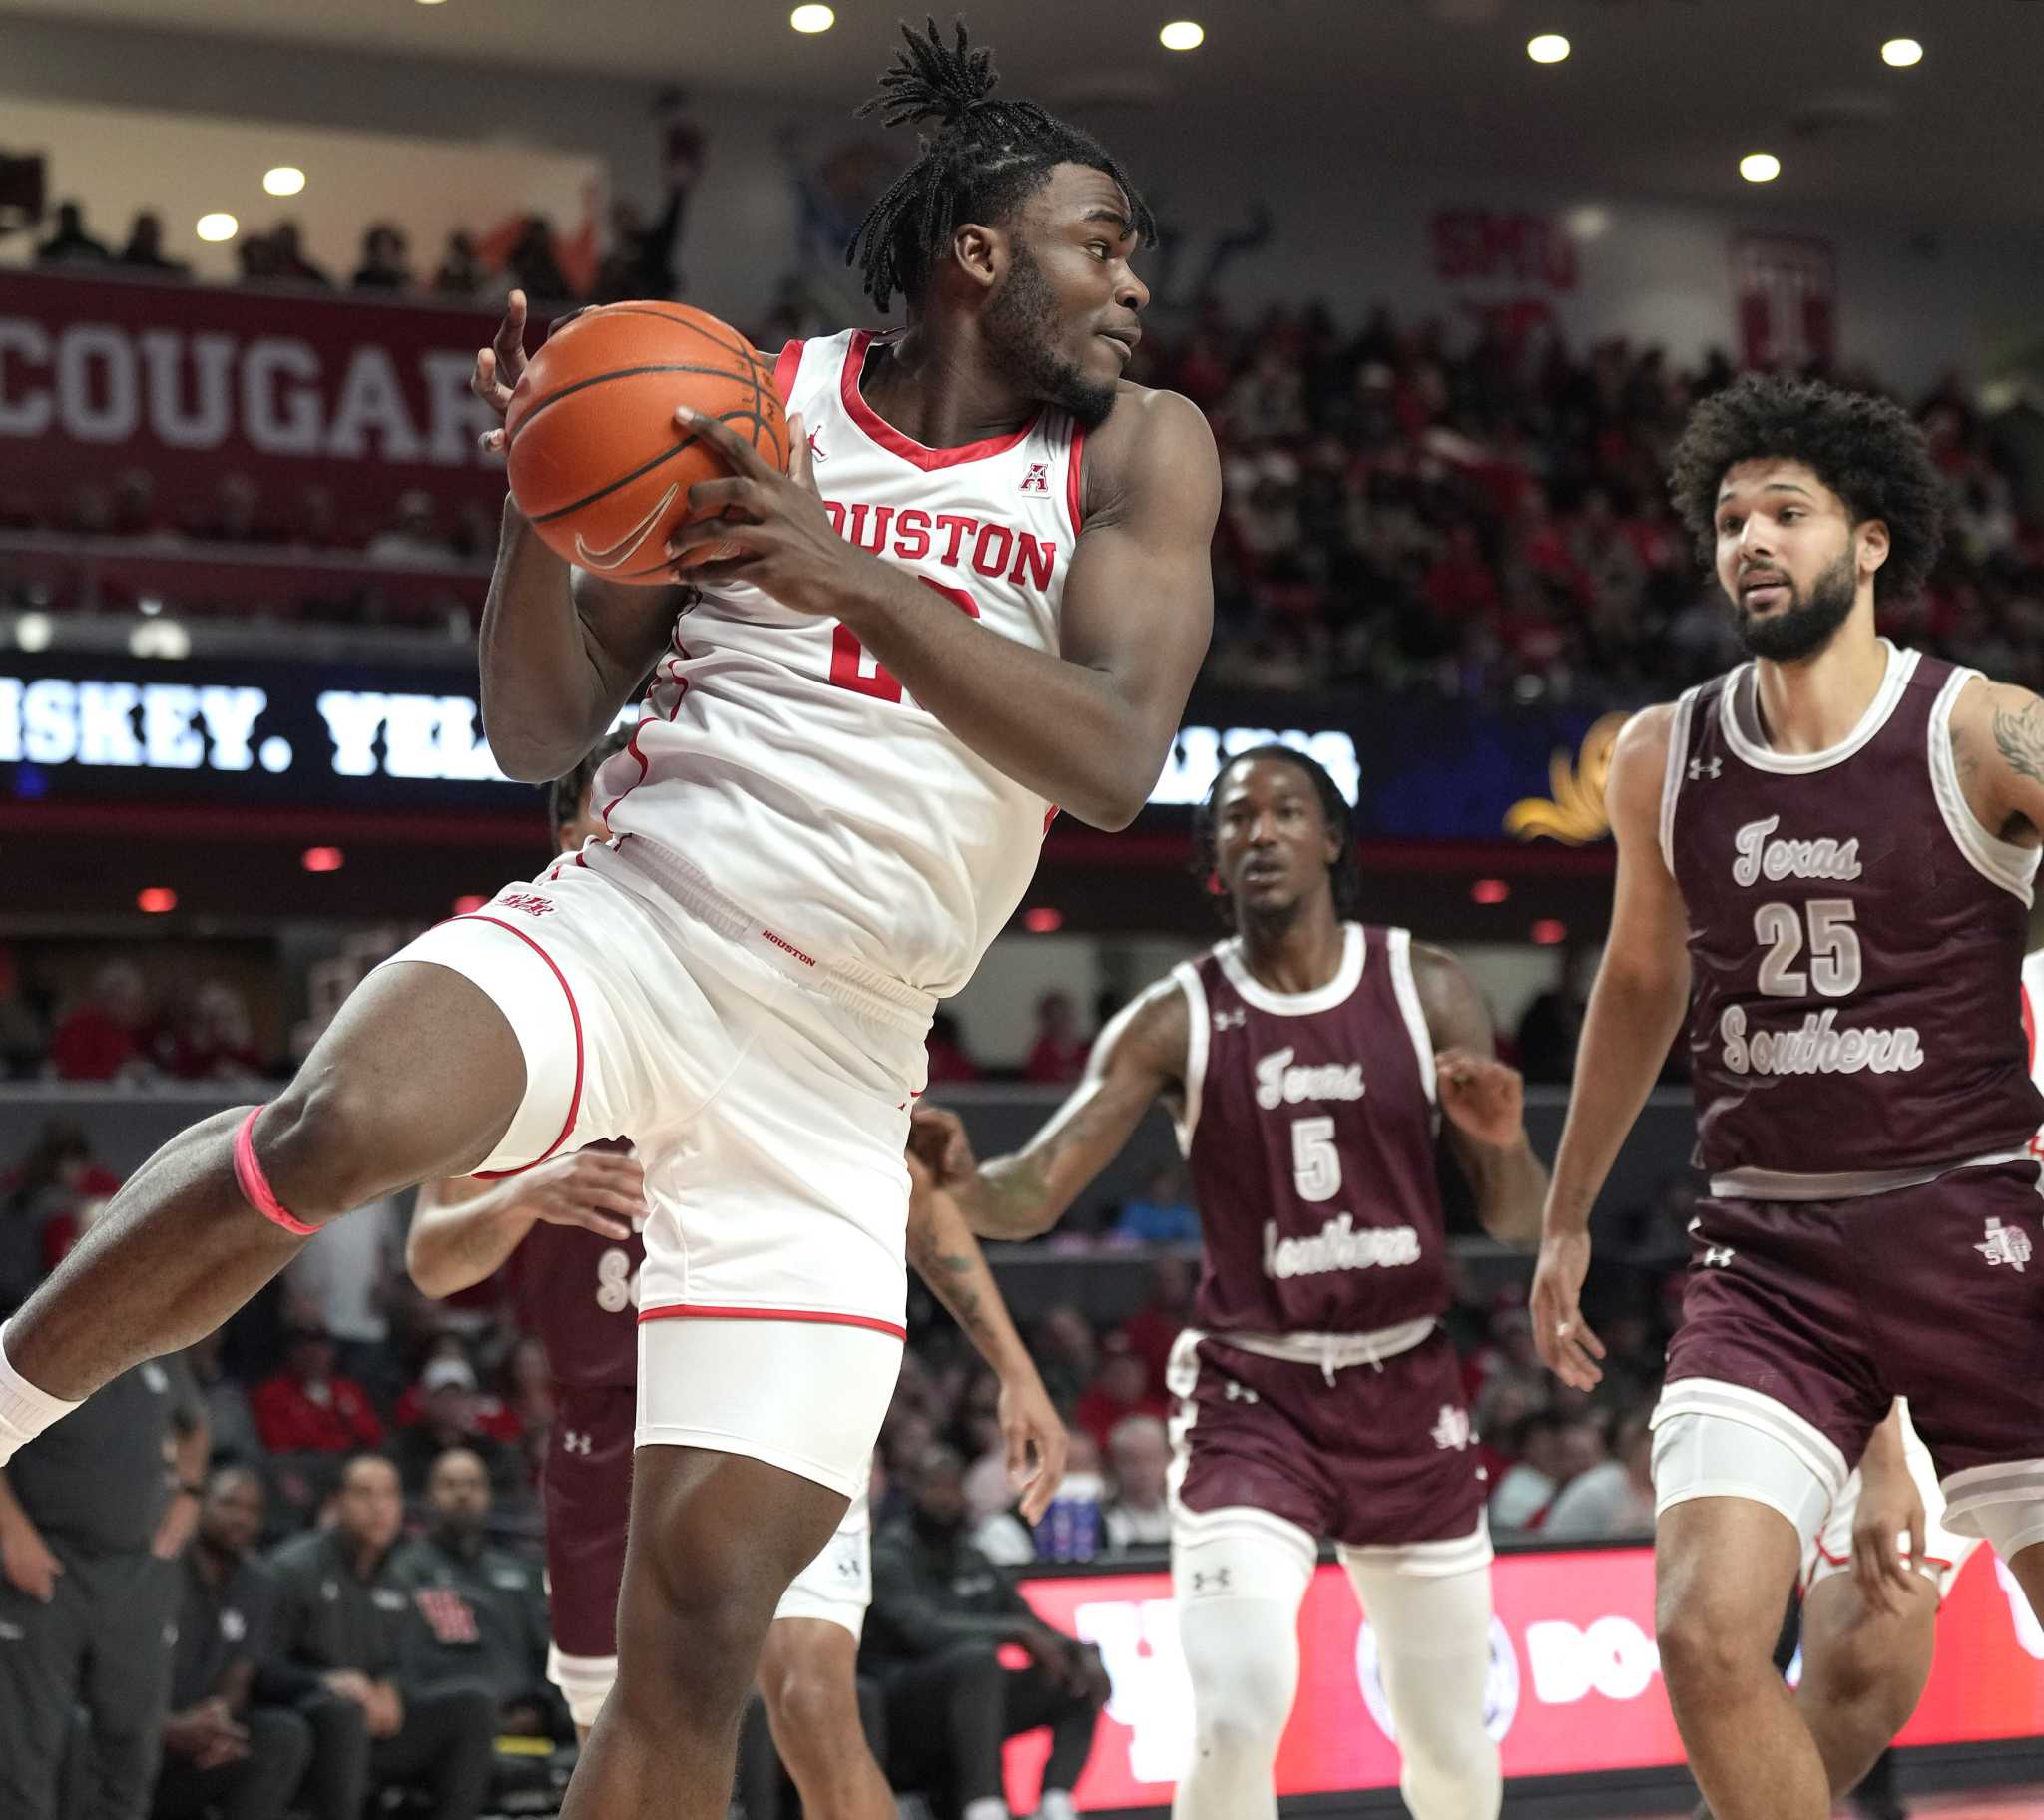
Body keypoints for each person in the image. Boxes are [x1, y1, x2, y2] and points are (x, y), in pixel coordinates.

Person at [0, 19, 1216, 1820]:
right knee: (345, 1119)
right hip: (643, 924)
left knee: (694, 1652)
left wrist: (834, 564)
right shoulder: (751, 402)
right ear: (979, 252)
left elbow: (1114, 758)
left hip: (844, 1066)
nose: (1133, 282)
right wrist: (535, 517)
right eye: (1099, 241)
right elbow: (542, 732)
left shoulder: (1135, 451)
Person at [1530, 373, 2044, 1820]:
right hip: (1771, 1255)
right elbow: (1639, 987)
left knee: (1875, 1661)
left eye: (1786, 514)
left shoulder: (1978, 731)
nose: (1748, 539)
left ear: (1871, 542)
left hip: (1976, 1236)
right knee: (1704, 1628)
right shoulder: (1660, 752)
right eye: (1728, 518)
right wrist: (1565, 1218)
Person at [914, 743, 1548, 1820]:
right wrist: (966, 1184)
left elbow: (1515, 1216)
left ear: (1330, 839)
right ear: (1211, 856)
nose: (1258, 832)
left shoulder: (1425, 986)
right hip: (1256, 1397)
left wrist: (1501, 1143)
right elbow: (1036, 1195)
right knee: (1236, 1710)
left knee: (1449, 1744)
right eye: (1234, 817)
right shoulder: (1174, 1016)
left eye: (1284, 812)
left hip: (1407, 1390)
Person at [0, 1348, 207, 1820]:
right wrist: (11, 1530)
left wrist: (190, 1493)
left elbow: (195, 1423)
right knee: (26, 1744)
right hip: (49, 1564)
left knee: (132, 1741)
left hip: (135, 1571)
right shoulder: (46, 1335)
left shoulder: (160, 1349)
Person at [863, 1442, 1108, 1820]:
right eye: (934, 1486)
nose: (944, 1498)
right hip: (903, 1708)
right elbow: (923, 1632)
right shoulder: (887, 1554)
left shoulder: (971, 1555)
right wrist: (1014, 1632)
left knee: (1078, 1675)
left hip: (973, 1704)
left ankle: (1055, 1803)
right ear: (912, 1491)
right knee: (976, 1660)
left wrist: (1078, 1651)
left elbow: (1028, 1620)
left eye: (952, 1487)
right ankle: (986, 1806)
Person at [261, 1453, 496, 1820]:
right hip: (313, 1726)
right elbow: (262, 1670)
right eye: (364, 1494)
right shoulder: (292, 1569)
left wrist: (391, 1688)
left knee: (473, 1704)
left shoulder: (399, 1579)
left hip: (374, 1730)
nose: (379, 1507)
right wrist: (326, 1682)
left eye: (389, 1495)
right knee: (345, 1712)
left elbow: (402, 1666)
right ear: (337, 1503)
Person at [153, 1466, 312, 1820]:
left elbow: (241, 1673)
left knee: (282, 1734)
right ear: (200, 1504)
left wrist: (218, 1719)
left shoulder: (260, 1583)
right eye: (228, 1503)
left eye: (253, 1510)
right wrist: (169, 1727)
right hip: (146, 1732)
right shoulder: (160, 1565)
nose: (241, 1518)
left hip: (201, 1740)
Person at [407, 1447, 566, 1739]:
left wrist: (541, 1706)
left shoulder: (519, 1574)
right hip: (449, 1721)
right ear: (429, 1495)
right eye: (450, 1484)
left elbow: (545, 1651)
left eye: (473, 1484)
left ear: (489, 1494)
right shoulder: (405, 1571)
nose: (463, 1494)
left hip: (527, 1717)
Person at [1101, 1413, 1172, 1552]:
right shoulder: (1102, 1520)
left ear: (1168, 1458)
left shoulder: (1183, 1516)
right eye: (1132, 1460)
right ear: (1115, 1463)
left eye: (1151, 1458)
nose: (1143, 1470)